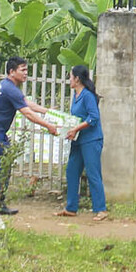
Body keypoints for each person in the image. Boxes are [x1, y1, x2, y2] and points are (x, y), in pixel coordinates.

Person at [0, 57, 58, 215]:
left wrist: (48, 112)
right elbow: (27, 113)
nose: (25, 73)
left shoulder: (8, 86)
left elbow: (27, 103)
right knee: (2, 167)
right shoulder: (10, 89)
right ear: (11, 71)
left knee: (0, 165)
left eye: (26, 70)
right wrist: (48, 125)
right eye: (22, 70)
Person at [57, 65, 109, 220]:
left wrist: (76, 128)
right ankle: (71, 207)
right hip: (78, 139)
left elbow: (93, 117)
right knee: (72, 171)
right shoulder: (75, 95)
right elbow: (76, 117)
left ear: (77, 79)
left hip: (91, 140)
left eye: (70, 77)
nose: (69, 80)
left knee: (93, 173)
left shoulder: (87, 96)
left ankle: (101, 209)